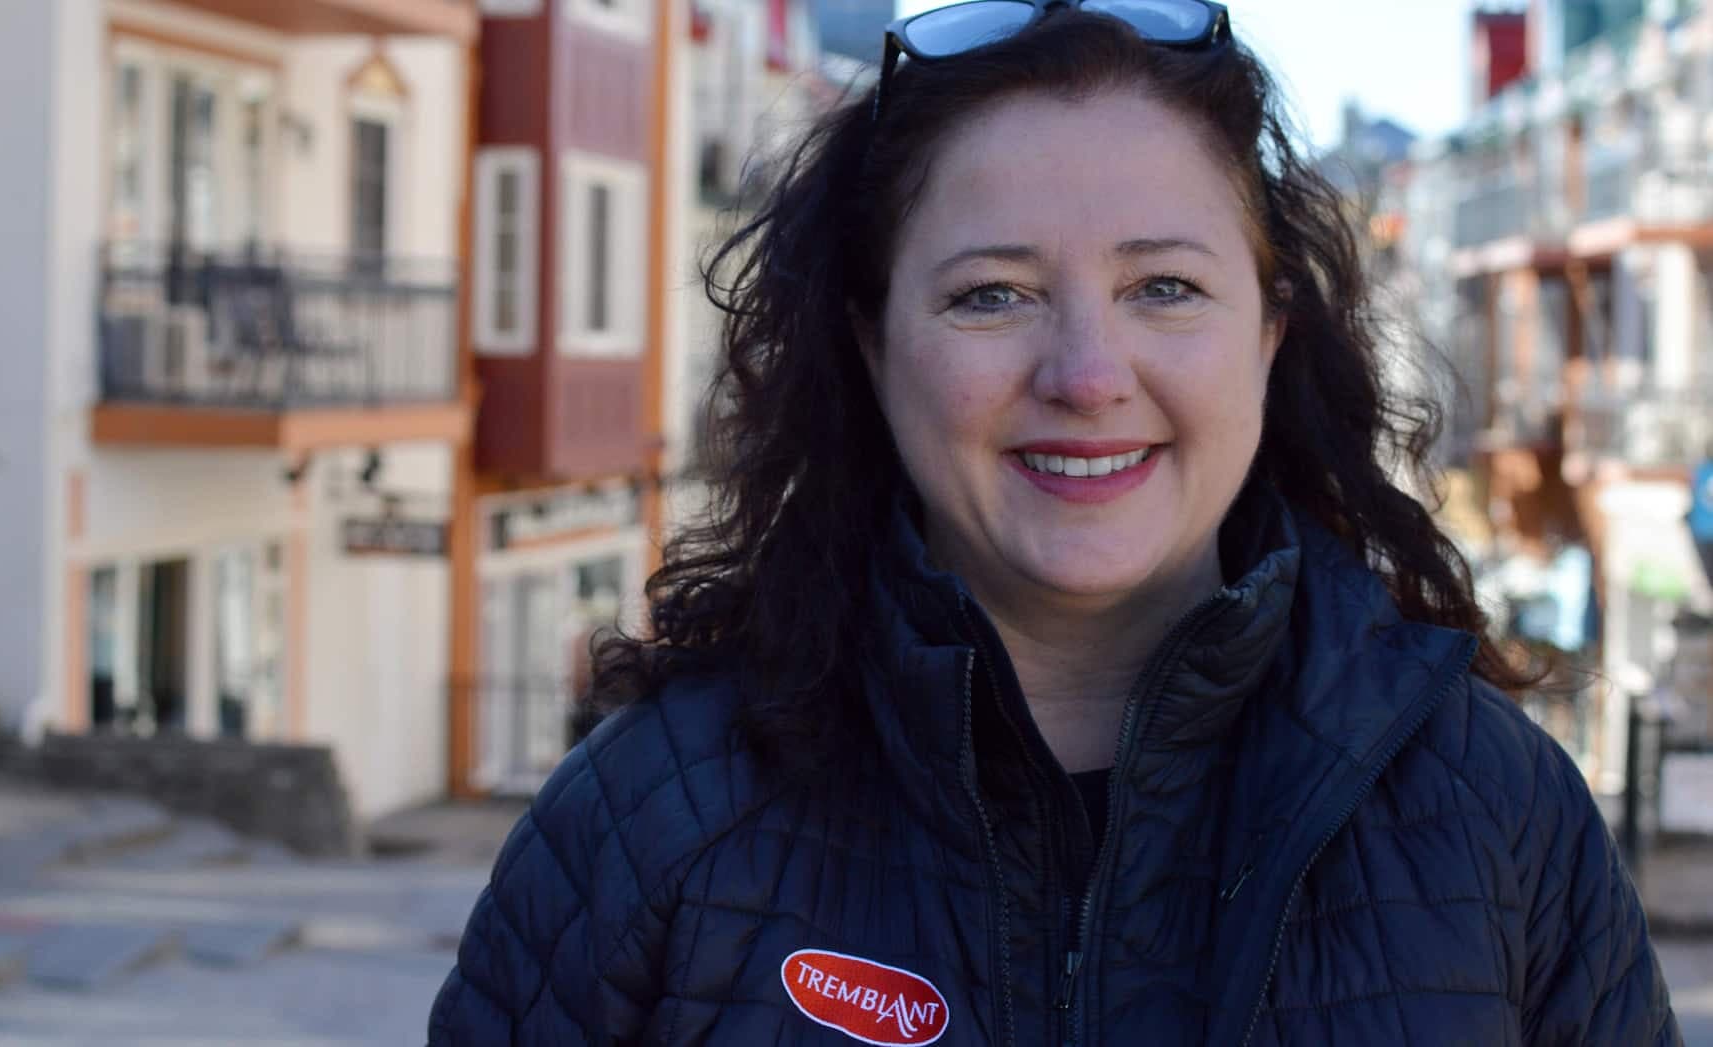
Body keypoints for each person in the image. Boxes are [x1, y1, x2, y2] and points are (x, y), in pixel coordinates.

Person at [430, 0, 1683, 1042]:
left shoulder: (1495, 814)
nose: (1086, 374)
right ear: (870, 349)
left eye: (1163, 287)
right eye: (992, 295)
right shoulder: (650, 820)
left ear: (1267, 336)